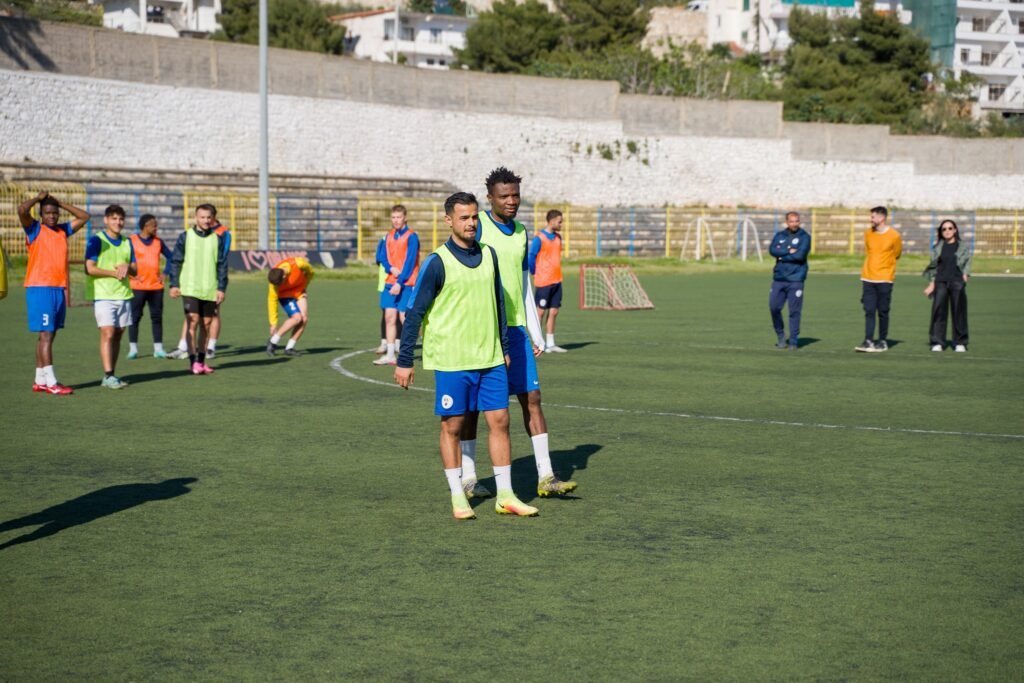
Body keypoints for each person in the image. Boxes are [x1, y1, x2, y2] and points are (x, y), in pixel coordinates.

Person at [395, 192, 538, 520]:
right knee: (453, 426)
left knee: (501, 421)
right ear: (449, 221)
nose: (471, 223)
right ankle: (458, 495)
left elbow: (499, 304)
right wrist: (404, 361)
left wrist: (504, 347)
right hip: (452, 360)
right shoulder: (437, 262)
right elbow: (414, 313)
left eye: (474, 217)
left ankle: (506, 495)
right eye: (464, 218)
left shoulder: (489, 255)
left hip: (490, 357)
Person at [462, 167, 577, 499]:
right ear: (490, 198)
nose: (511, 201)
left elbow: (523, 281)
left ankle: (546, 476)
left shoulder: (522, 232)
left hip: (514, 330)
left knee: (532, 398)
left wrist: (533, 329)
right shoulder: (478, 228)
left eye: (515, 195)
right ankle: (469, 477)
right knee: (473, 407)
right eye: (504, 196)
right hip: (482, 330)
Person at [18, 191, 90, 395]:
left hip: (58, 288)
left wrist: (61, 203)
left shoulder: (62, 230)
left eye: (54, 213)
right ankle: (52, 383)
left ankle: (40, 380)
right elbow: (22, 210)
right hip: (40, 288)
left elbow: (85, 217)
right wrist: (37, 199)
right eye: (48, 213)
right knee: (46, 335)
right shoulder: (34, 229)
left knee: (48, 334)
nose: (52, 216)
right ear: (41, 214)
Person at [168, 204, 228, 375]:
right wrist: (174, 284)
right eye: (202, 217)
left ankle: (201, 362)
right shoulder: (185, 236)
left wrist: (221, 288)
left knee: (206, 324)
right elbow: (176, 261)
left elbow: (222, 265)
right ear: (196, 217)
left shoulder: (217, 239)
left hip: (209, 289)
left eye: (209, 217)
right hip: (190, 288)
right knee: (192, 320)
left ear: (213, 219)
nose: (206, 220)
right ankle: (192, 361)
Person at [85, 204, 137, 389]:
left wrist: (127, 267)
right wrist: (113, 273)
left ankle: (111, 374)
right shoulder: (96, 240)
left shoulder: (127, 242)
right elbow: (90, 268)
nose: (118, 222)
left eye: (121, 219)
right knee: (108, 333)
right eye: (114, 218)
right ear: (106, 220)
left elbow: (135, 270)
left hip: (123, 294)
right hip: (103, 295)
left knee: (117, 335)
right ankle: (108, 375)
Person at [373, 205, 419, 366]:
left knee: (404, 318)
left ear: (405, 218)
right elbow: (382, 257)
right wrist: (390, 268)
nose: (396, 220)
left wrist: (400, 282)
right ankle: (390, 355)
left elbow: (410, 262)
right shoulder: (388, 236)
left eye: (399, 217)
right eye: (393, 217)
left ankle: (406, 354)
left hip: (406, 283)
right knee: (389, 317)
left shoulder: (412, 237)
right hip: (390, 282)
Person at [855, 206, 902, 353]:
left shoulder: (894, 235)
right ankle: (868, 340)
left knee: (883, 311)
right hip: (868, 277)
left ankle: (882, 341)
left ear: (882, 218)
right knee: (869, 310)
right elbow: (869, 251)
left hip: (885, 279)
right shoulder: (868, 233)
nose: (871, 219)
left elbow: (897, 254)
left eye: (873, 217)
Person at [127, 214, 173, 359]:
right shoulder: (131, 241)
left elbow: (171, 257)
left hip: (155, 287)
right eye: (154, 225)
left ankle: (158, 349)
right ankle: (133, 349)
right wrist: (129, 273)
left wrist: (165, 273)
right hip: (137, 286)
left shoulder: (158, 242)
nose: (156, 228)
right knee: (134, 317)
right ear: (145, 226)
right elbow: (123, 259)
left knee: (156, 317)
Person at [923, 219, 971, 353]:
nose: (947, 231)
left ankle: (960, 342)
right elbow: (933, 267)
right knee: (938, 312)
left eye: (950, 228)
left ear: (955, 230)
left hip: (957, 282)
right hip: (941, 282)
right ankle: (937, 342)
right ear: (941, 232)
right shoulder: (937, 247)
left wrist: (966, 274)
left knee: (959, 312)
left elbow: (967, 262)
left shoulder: (962, 246)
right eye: (944, 229)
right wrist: (931, 284)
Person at [768, 211, 811, 350]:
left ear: (799, 221)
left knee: (794, 311)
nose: (794, 224)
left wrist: (781, 255)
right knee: (774, 307)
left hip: (796, 279)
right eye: (792, 221)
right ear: (787, 222)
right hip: (779, 278)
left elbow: (800, 256)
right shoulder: (780, 235)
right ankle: (781, 335)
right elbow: (772, 250)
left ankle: (793, 340)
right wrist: (788, 250)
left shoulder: (805, 237)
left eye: (797, 221)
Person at [529, 209, 567, 353]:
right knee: (540, 312)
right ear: (551, 221)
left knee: (554, 312)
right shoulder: (539, 238)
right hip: (543, 281)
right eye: (559, 221)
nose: (561, 224)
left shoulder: (558, 238)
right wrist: (534, 272)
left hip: (557, 280)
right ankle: (538, 343)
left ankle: (550, 344)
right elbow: (531, 257)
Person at [266, 255, 315, 357]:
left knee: (304, 319)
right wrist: (273, 323)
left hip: (299, 291)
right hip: (285, 295)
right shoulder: (274, 282)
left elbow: (310, 272)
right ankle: (273, 342)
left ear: (285, 277)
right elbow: (272, 301)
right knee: (297, 318)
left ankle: (289, 348)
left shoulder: (299, 264)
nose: (277, 286)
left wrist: (304, 286)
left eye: (279, 284)